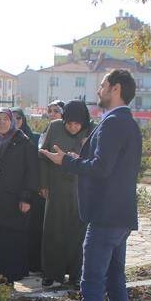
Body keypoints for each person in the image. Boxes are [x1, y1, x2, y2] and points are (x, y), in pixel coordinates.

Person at [42, 69, 143, 301]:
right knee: (115, 282)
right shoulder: (128, 123)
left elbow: (101, 168)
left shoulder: (113, 123)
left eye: (102, 85)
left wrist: (68, 161)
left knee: (92, 284)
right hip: (120, 215)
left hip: (105, 216)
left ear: (115, 88)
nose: (98, 90)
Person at [38, 100, 92, 288]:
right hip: (56, 186)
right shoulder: (54, 127)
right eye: (69, 123)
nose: (73, 127)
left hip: (80, 190)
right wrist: (43, 183)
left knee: (77, 233)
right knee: (53, 231)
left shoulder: (91, 132)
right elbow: (43, 155)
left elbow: (96, 161)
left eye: (77, 124)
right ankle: (51, 273)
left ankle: (76, 274)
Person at [0, 108, 39, 284]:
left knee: (12, 239)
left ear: (12, 122)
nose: (1, 122)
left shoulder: (23, 142)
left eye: (5, 119)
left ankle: (11, 277)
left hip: (15, 199)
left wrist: (27, 197)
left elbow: (31, 172)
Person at [12, 106, 45, 274]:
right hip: (10, 193)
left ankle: (33, 265)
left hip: (30, 192)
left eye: (18, 118)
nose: (15, 122)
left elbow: (35, 168)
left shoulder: (31, 139)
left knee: (31, 230)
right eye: (12, 118)